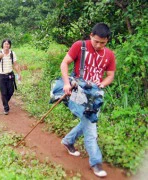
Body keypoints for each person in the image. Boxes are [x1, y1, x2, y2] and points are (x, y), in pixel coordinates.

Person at [60, 23, 116, 177]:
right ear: (91, 35)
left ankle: (67, 141)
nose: (98, 45)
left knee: (87, 121)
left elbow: (110, 75)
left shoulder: (109, 55)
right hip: (79, 93)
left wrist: (102, 84)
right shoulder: (80, 46)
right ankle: (96, 162)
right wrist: (66, 83)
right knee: (91, 127)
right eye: (96, 41)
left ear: (107, 41)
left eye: (103, 43)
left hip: (96, 95)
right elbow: (64, 63)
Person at [0, 39, 21, 115]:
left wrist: (19, 73)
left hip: (10, 75)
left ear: (10, 45)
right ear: (2, 45)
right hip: (0, 75)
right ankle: (6, 108)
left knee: (11, 91)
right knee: (3, 92)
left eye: (8, 44)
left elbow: (15, 64)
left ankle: (4, 101)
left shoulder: (12, 53)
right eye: (5, 44)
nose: (6, 45)